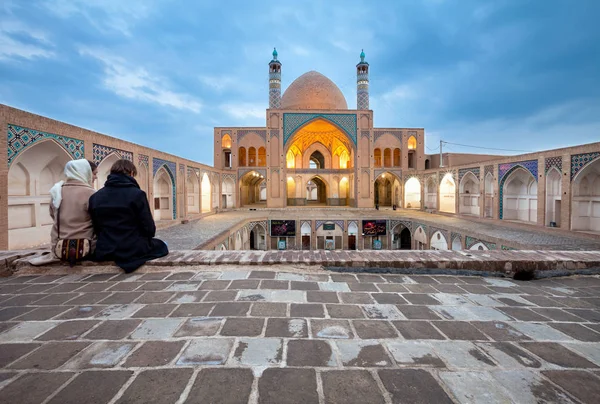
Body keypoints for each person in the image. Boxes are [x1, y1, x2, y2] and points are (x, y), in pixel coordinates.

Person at [89, 159, 168, 272]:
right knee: (162, 245)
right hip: (132, 248)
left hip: (105, 249)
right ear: (131, 173)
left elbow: (96, 228)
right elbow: (149, 229)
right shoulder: (137, 194)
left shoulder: (96, 197)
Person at [49, 159, 97, 256]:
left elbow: (53, 215)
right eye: (94, 174)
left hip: (59, 248)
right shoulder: (91, 193)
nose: (95, 177)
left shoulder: (57, 191)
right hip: (86, 248)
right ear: (85, 172)